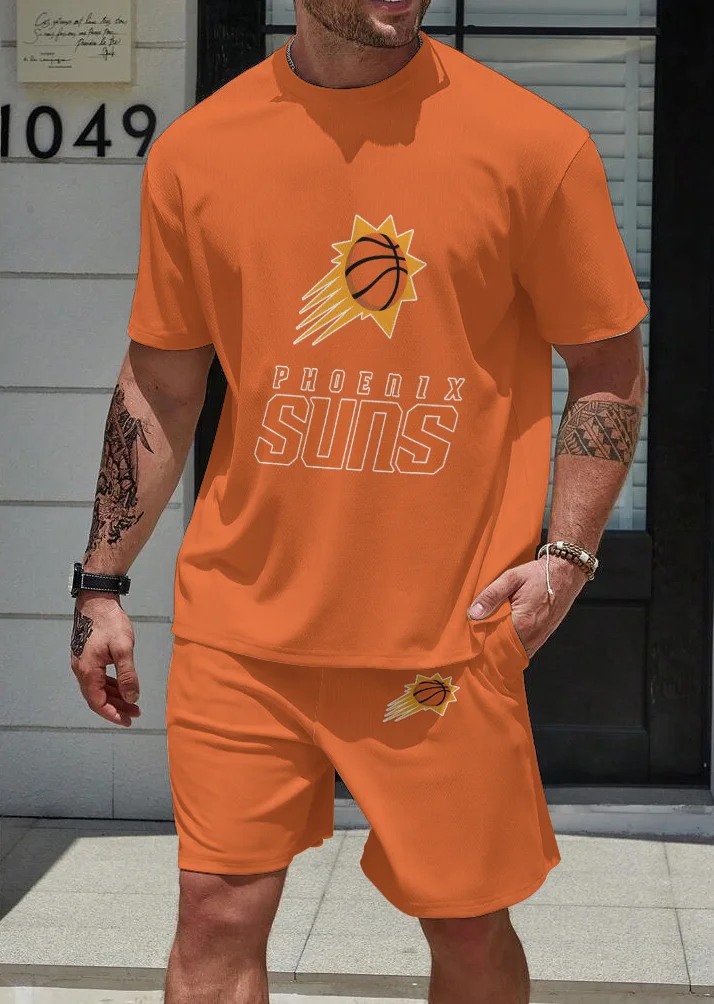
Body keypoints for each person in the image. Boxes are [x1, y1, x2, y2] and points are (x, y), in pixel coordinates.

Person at [68, 1, 648, 1001]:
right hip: (244, 629)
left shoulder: (532, 146)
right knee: (214, 911)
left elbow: (607, 364)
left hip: (444, 633)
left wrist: (567, 557)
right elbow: (162, 382)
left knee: (467, 927)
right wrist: (100, 581)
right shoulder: (200, 152)